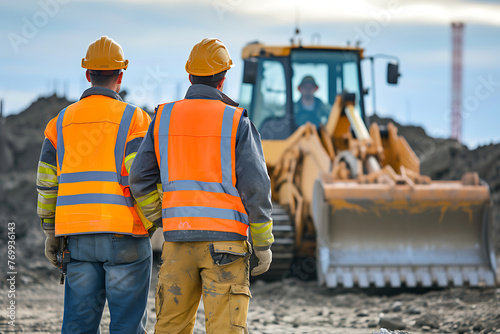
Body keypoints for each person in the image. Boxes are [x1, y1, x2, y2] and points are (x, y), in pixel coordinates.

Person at [129, 38, 274, 334]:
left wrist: (159, 217)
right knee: (225, 328)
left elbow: (139, 179)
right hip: (226, 247)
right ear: (223, 79)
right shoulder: (236, 120)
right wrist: (263, 242)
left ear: (190, 76)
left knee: (171, 327)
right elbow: (256, 187)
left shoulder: (164, 117)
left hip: (177, 242)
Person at [37, 36, 153, 334]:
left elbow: (47, 185)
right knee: (127, 326)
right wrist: (153, 220)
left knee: (79, 326)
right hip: (125, 234)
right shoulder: (135, 119)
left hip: (77, 238)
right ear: (121, 75)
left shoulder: (59, 122)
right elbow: (139, 176)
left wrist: (51, 232)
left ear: (87, 74)